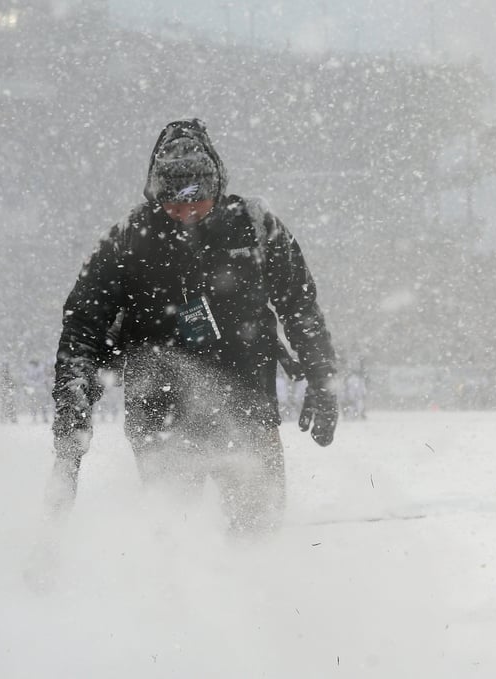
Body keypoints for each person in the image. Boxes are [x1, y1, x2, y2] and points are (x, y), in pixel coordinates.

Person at [48, 118, 339, 532]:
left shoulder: (255, 227)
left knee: (259, 532)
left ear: (216, 188)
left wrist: (322, 378)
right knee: (174, 539)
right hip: (161, 419)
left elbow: (301, 306)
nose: (184, 211)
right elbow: (82, 329)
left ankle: (263, 590)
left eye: (195, 199)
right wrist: (72, 411)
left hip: (247, 410)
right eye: (172, 201)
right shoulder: (129, 241)